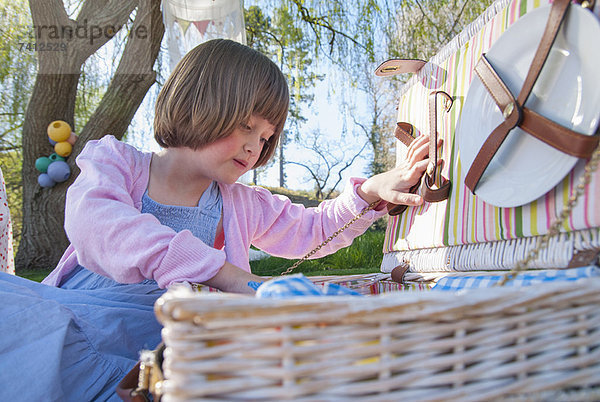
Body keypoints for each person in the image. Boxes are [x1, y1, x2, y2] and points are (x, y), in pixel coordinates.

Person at [0, 39, 435, 401]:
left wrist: (368, 193)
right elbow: (99, 226)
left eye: (265, 138)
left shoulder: (242, 203)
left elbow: (314, 229)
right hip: (76, 322)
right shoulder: (116, 162)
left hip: (163, 350)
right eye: (247, 126)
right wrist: (219, 272)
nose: (255, 148)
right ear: (198, 102)